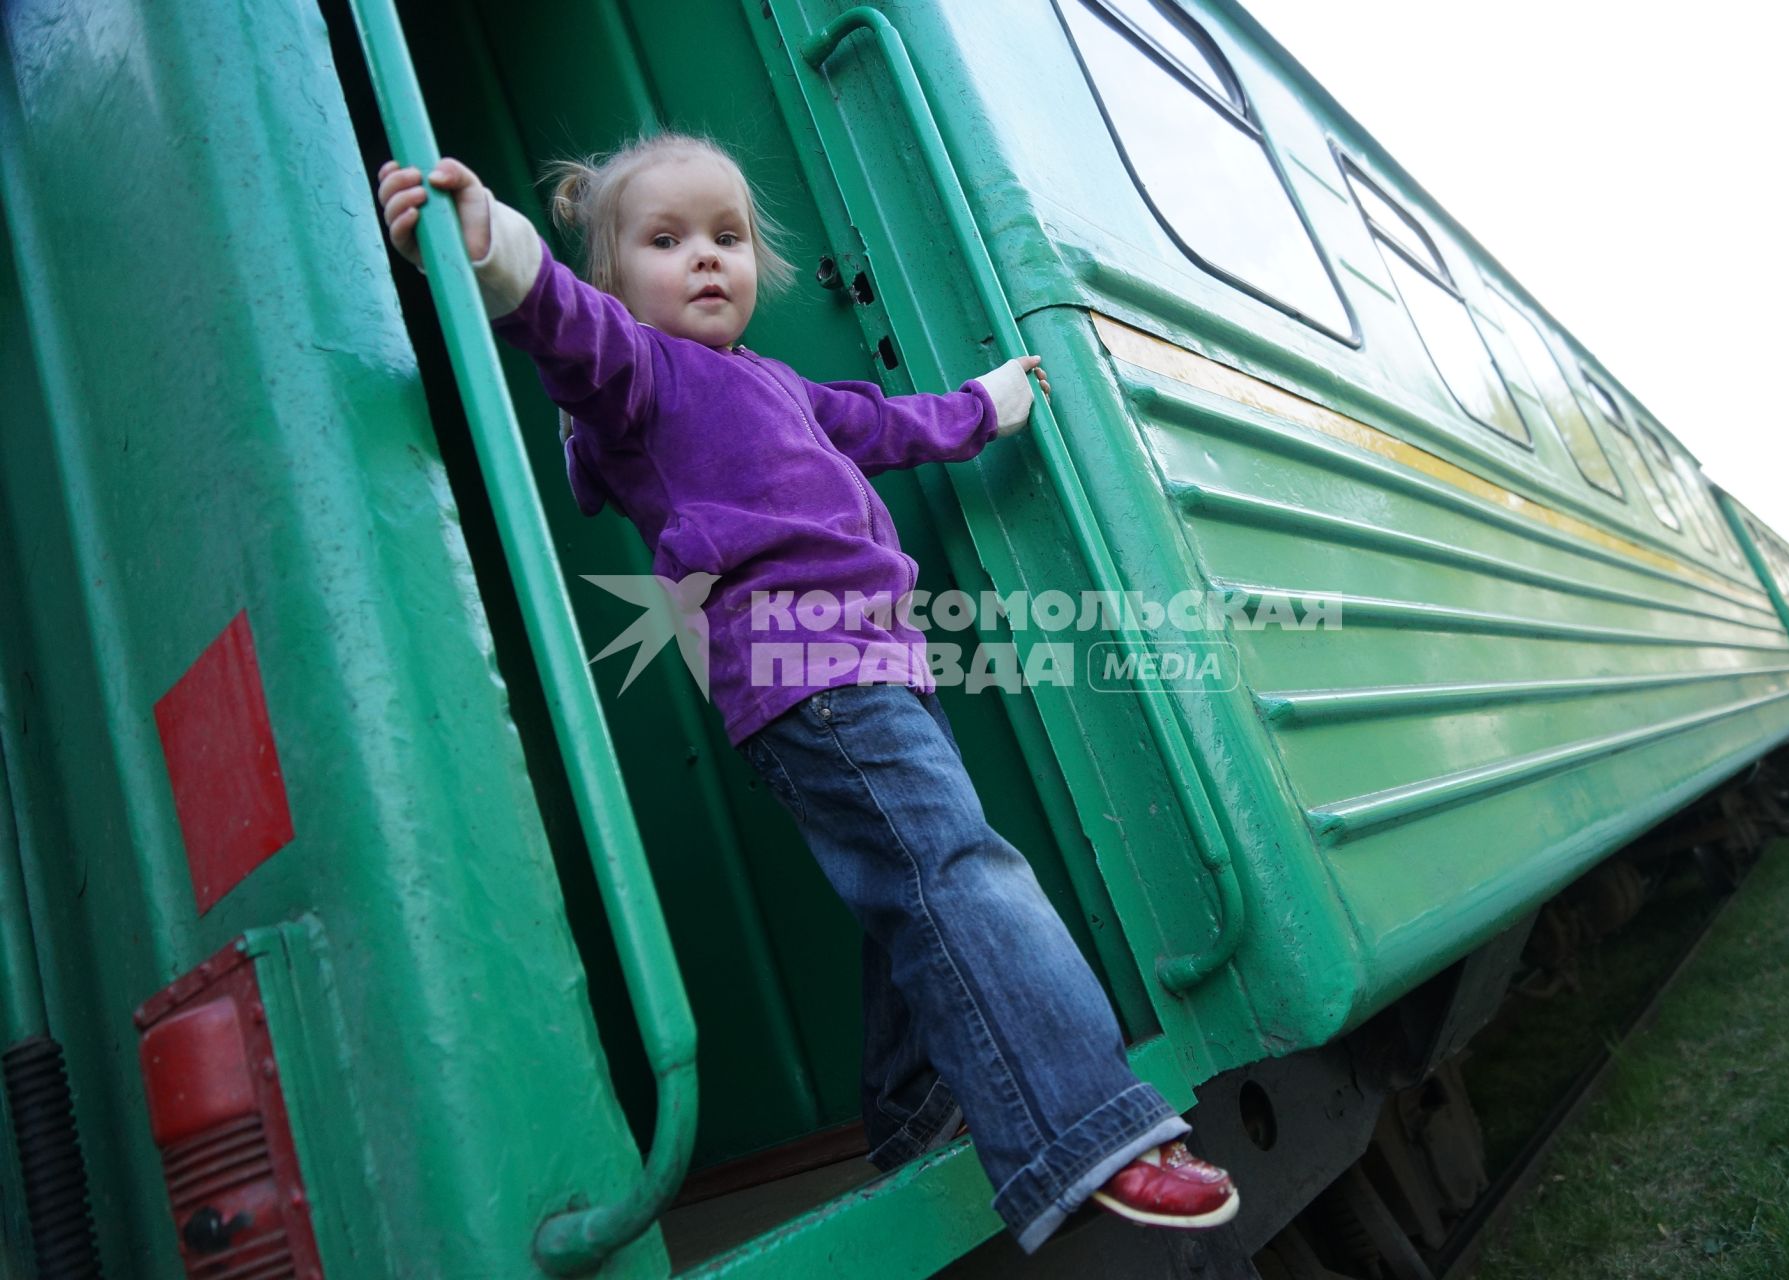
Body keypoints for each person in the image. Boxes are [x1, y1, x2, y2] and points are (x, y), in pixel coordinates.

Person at [375, 134, 1238, 1252]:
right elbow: (562, 329)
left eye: (725, 238)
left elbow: (884, 425)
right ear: (615, 274)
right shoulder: (642, 373)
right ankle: (1085, 1127)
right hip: (804, 670)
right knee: (954, 867)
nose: (704, 260)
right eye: (665, 239)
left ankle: (913, 1104)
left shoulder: (774, 384)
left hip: (878, 664)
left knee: (907, 887)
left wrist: (986, 404)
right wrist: (493, 248)